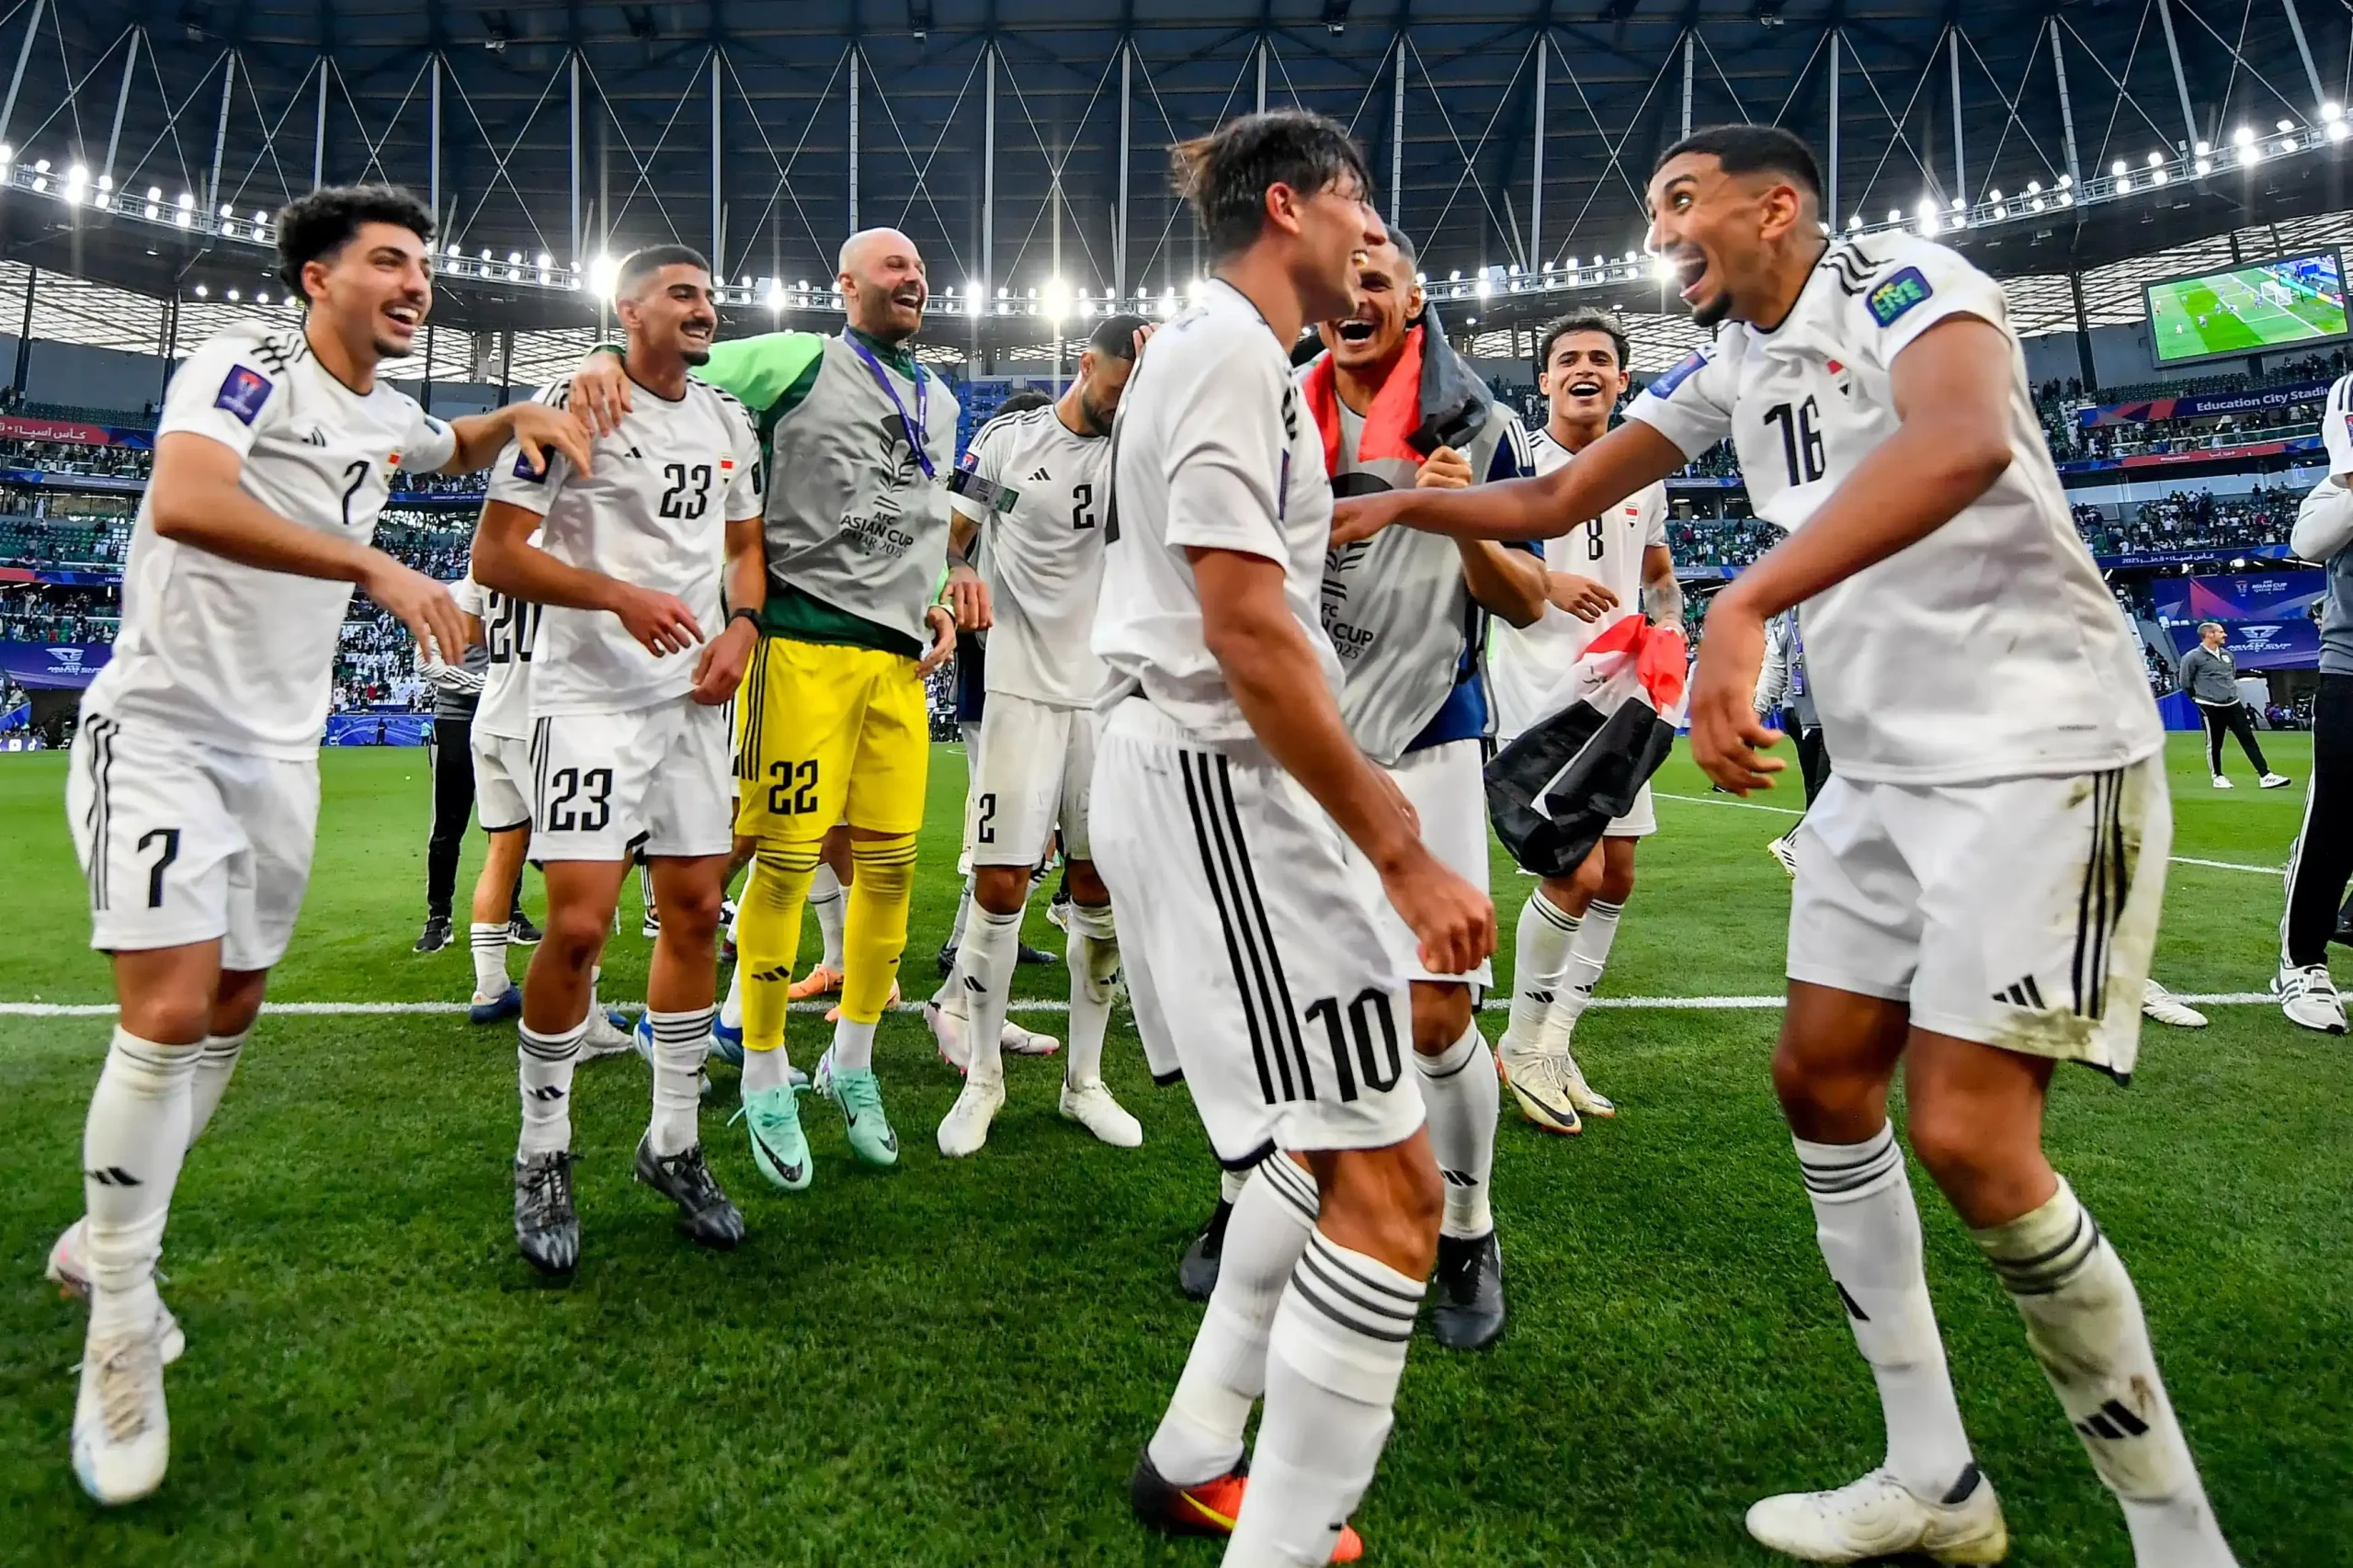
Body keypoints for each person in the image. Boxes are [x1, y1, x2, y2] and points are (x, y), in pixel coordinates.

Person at [1331, 124, 2235, 1568]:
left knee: (1968, 1133)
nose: (1662, 232)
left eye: (1682, 201)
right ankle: (1932, 1472)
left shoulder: (1904, 281)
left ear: (1778, 208)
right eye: (1654, 211)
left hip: (2036, 747)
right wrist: (1396, 501)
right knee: (1820, 1080)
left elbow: (1961, 441)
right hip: (1879, 770)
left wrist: (1746, 604)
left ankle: (2180, 1535)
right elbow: (1555, 499)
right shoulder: (1731, 364)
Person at [46, 182, 588, 1505]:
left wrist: (517, 418)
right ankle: (120, 1320)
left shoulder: (384, 408)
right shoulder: (244, 363)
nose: (417, 284)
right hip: (162, 730)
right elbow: (185, 498)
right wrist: (377, 569)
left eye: (425, 267)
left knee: (233, 1002)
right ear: (316, 279)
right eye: (389, 262)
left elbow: (442, 444)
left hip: (279, 756)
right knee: (168, 1009)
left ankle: (101, 1232)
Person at [1096, 109, 1492, 1564]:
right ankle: (1279, 1532)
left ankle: (1198, 1450)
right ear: (1288, 208)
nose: (1373, 237)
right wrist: (1400, 848)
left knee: (1316, 1151)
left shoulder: (1232, 356)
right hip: (1221, 781)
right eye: (1358, 207)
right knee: (1391, 1190)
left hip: (1220, 776)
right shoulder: (1224, 353)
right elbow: (1247, 627)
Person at [569, 227, 979, 1190]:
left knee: (890, 870)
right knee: (787, 863)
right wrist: (602, 356)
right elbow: (675, 365)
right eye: (894, 266)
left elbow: (922, 518)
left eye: (921, 269)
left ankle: (852, 1062)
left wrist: (934, 596)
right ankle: (760, 1069)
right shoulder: (797, 358)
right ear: (847, 285)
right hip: (798, 645)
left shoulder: (944, 398)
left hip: (895, 666)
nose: (914, 279)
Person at [471, 244, 766, 1274]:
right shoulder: (575, 405)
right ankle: (542, 1150)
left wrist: (743, 628)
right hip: (590, 699)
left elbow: (745, 550)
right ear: (627, 309)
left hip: (694, 703)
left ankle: (673, 1142)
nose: (704, 306)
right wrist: (618, 597)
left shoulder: (728, 420)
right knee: (581, 926)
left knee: (694, 913)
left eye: (709, 294)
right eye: (682, 293)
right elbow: (495, 553)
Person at [931, 313, 1153, 1157]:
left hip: (1108, 700)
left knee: (1098, 891)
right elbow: (952, 536)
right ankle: (983, 1078)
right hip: (1020, 691)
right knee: (1000, 885)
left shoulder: (1143, 450)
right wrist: (959, 571)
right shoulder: (1007, 446)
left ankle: (1084, 1083)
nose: (1125, 401)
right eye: (1119, 384)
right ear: (1085, 363)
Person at [1487, 309, 1678, 1137]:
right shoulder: (1518, 460)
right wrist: (1547, 581)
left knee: (1619, 873)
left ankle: (1556, 1043)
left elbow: (1659, 572)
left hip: (1624, 697)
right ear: (1545, 380)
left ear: (1622, 379)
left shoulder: (1644, 472)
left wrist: (1670, 626)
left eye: (1601, 358)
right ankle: (1521, 1043)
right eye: (1567, 359)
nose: (1584, 369)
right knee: (1576, 871)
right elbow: (1478, 552)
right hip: (1543, 697)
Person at [2276, 424, 2353, 1033]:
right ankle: (2302, 961)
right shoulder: (2334, 489)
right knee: (2335, 821)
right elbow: (2308, 541)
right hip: (2351, 672)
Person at [1755, 607, 1824, 876]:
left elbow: (1773, 666)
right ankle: (1795, 844)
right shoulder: (1837, 602)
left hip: (1806, 715)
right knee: (1837, 793)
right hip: (1827, 717)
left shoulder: (1787, 616)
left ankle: (1817, 869)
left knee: (1820, 793)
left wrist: (1757, 711)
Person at [2178, 621, 2289, 789]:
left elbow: (2231, 675)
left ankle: (2265, 775)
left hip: (2233, 704)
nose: (2225, 635)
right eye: (2220, 632)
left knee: (2248, 738)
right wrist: (2199, 699)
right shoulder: (2192, 657)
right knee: (2215, 743)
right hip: (2209, 705)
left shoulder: (2227, 655)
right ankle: (2218, 776)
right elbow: (2185, 682)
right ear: (2209, 634)